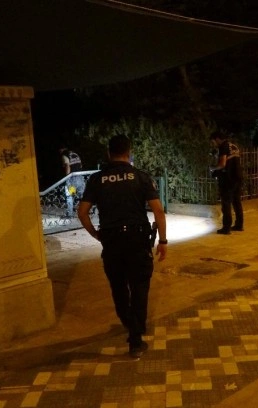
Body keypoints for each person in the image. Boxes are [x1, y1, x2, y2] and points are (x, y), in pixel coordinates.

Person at [77, 134, 167, 359]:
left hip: (111, 240)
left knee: (118, 286)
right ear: (129, 152)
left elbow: (82, 212)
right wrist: (163, 241)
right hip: (137, 240)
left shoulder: (97, 179)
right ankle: (135, 339)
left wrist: (96, 234)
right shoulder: (141, 177)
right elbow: (158, 210)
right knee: (139, 287)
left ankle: (129, 322)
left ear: (109, 153)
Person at [209, 131, 244, 235]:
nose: (213, 144)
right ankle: (239, 225)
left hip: (228, 179)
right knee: (237, 202)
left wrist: (213, 168)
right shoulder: (234, 146)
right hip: (237, 176)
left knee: (226, 203)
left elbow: (222, 164)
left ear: (217, 139)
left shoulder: (223, 147)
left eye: (213, 142)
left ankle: (226, 228)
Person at [59, 146, 83, 216]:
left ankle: (70, 214)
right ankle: (85, 211)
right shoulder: (75, 154)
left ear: (62, 149)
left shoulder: (64, 155)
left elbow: (67, 166)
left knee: (69, 195)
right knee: (82, 195)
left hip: (72, 179)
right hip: (79, 177)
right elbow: (81, 165)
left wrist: (67, 177)